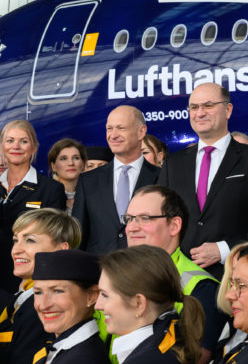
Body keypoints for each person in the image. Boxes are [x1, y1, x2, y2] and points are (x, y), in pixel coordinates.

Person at [157, 82, 248, 279]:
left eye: (208, 105)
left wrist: (225, 249)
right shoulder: (173, 163)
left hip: (233, 276)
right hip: (180, 278)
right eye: (194, 107)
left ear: (228, 110)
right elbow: (162, 220)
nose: (200, 113)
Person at [0, 209, 80, 364]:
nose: (17, 249)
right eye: (16, 240)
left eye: (30, 240)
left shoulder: (45, 313)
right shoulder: (18, 301)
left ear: (61, 250)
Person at [125, 185, 225, 364]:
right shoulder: (118, 276)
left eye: (144, 218)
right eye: (129, 218)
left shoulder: (203, 288)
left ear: (174, 226)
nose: (131, 227)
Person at [72, 106, 160, 255]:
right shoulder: (87, 181)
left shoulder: (162, 177)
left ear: (141, 132)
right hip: (99, 267)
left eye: (121, 128)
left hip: (147, 265)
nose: (113, 135)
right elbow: (78, 237)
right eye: (109, 128)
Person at [0, 121, 65, 293]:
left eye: (23, 141)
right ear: (2, 146)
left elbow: (53, 240)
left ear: (34, 147)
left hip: (28, 280)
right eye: (10, 140)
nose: (16, 146)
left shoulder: (51, 189)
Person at [47, 138, 88, 212]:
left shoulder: (95, 196)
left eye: (76, 158)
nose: (71, 163)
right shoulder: (45, 195)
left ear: (83, 164)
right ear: (53, 166)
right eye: (63, 158)